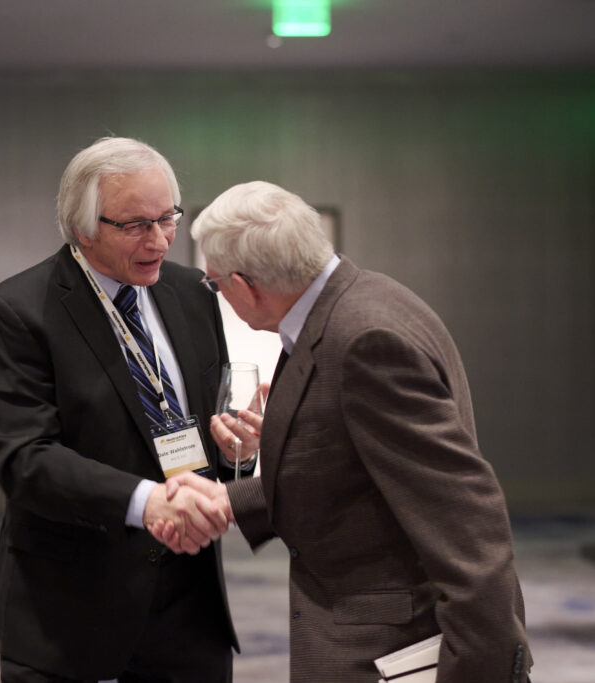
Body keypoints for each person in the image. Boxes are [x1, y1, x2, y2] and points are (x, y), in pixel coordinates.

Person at [154, 180, 533, 682]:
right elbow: (351, 469)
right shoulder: (355, 303)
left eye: (215, 283)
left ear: (245, 285)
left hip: (394, 652)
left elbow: (466, 516)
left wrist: (484, 669)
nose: (218, 293)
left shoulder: (363, 340)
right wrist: (232, 497)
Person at [0, 137, 241, 682]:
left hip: (189, 613)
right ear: (83, 228)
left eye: (167, 218)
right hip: (72, 614)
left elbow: (208, 429)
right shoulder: (19, 311)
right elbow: (25, 458)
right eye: (136, 225)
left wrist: (240, 451)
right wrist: (147, 503)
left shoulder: (193, 293)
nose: (159, 241)